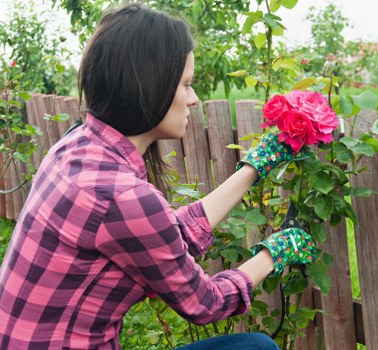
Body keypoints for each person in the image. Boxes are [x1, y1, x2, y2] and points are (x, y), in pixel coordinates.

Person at [0, 4, 316, 349]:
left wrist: (254, 167)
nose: (194, 99)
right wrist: (274, 253)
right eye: (186, 85)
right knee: (256, 348)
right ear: (150, 87)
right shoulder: (121, 196)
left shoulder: (76, 147)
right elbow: (205, 302)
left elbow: (162, 234)